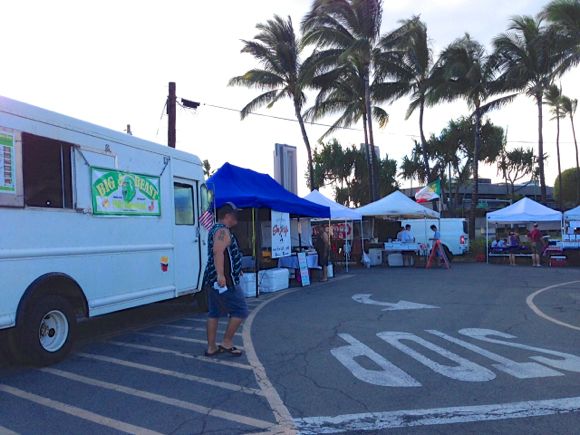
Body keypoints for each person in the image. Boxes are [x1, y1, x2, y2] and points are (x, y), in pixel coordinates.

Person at [203, 202, 248, 357]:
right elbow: (218, 251)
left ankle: (211, 347)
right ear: (228, 216)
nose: (237, 218)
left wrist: (236, 267)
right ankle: (227, 342)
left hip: (213, 278)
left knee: (214, 312)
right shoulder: (222, 230)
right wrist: (221, 275)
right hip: (226, 281)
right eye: (235, 215)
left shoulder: (216, 229)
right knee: (240, 310)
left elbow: (225, 254)